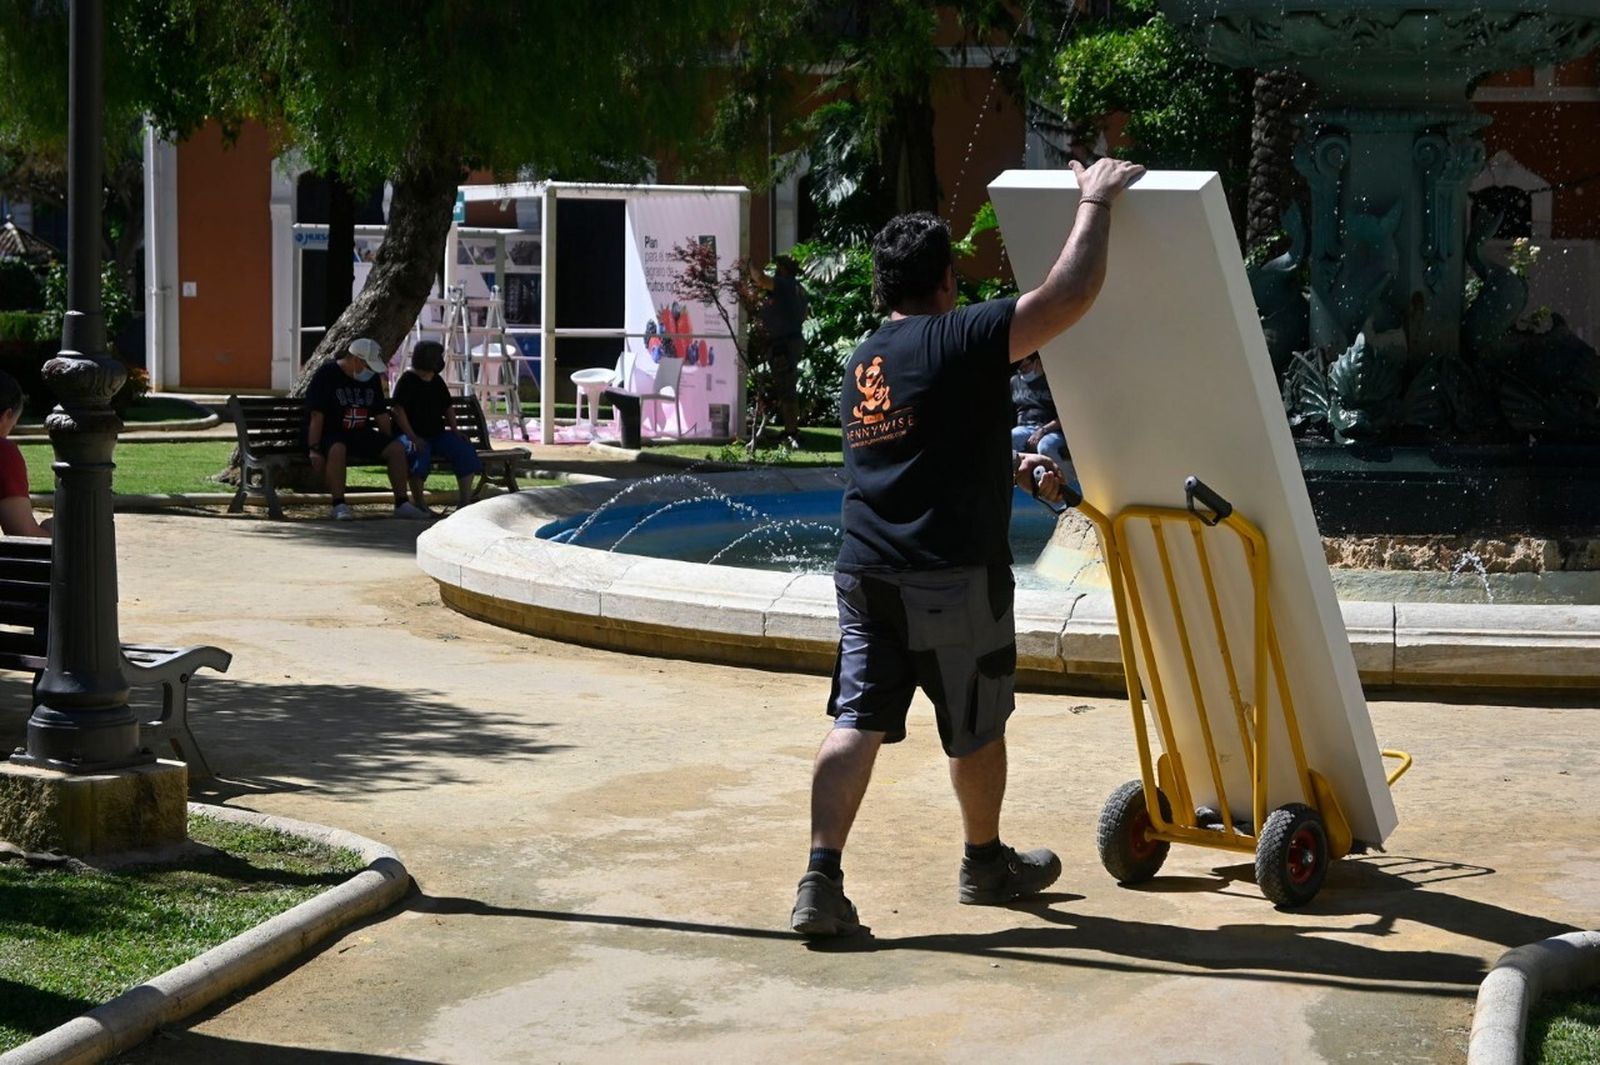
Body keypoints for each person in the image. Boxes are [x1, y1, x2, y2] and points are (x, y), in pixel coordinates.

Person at [791, 156, 1144, 937]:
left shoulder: (865, 359)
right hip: (950, 574)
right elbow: (1069, 295)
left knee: (856, 719)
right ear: (947, 280)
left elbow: (914, 448)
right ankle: (984, 863)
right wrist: (1095, 200)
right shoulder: (964, 333)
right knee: (976, 723)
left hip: (865, 572)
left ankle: (820, 878)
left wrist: (1005, 464)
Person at [304, 337, 429, 521]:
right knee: (337, 448)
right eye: (368, 366)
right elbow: (317, 414)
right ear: (356, 359)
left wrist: (388, 440)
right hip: (330, 433)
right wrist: (314, 448)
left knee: (396, 449)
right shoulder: (327, 374)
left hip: (359, 433)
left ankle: (402, 503)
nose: (370, 371)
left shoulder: (371, 379)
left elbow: (380, 414)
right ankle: (338, 504)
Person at [391, 340, 483, 513]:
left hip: (437, 434)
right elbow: (398, 410)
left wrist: (455, 431)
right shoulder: (407, 380)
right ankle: (420, 504)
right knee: (420, 452)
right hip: (412, 435)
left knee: (463, 450)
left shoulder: (437, 381)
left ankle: (464, 502)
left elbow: (447, 407)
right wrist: (412, 437)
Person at [750, 255, 809, 447]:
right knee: (787, 386)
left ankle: (791, 433)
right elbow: (804, 315)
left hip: (783, 344)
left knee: (786, 388)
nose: (774, 270)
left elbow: (760, 279)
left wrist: (749, 262)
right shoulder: (799, 289)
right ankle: (790, 430)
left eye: (777, 266)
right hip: (792, 340)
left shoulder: (783, 284)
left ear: (783, 268)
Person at [0, 370, 49, 537]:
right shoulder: (4, 452)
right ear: (6, 416)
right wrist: (55, 531)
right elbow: (23, 534)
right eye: (12, 425)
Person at [1011, 351, 1074, 480]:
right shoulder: (1014, 382)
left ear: (1037, 362)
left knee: (1045, 447)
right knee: (1011, 438)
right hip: (1025, 427)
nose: (1022, 371)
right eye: (1019, 368)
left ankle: (1068, 482)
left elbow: (1066, 414)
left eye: (1025, 366)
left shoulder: (1051, 380)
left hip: (1051, 428)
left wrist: (1043, 430)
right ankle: (1024, 480)